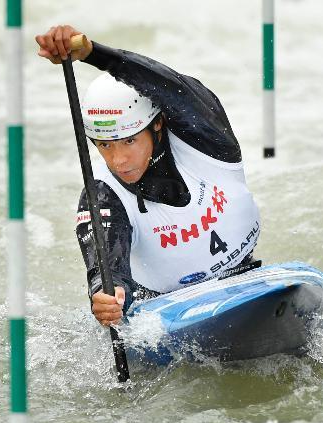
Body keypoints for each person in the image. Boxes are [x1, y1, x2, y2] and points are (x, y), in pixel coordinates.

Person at [36, 25, 261, 328]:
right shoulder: (102, 194)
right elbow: (108, 272)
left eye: (129, 140)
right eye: (104, 145)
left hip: (246, 278)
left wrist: (95, 54)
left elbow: (174, 88)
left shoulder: (208, 141)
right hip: (167, 314)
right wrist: (108, 297)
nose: (119, 161)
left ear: (157, 126)